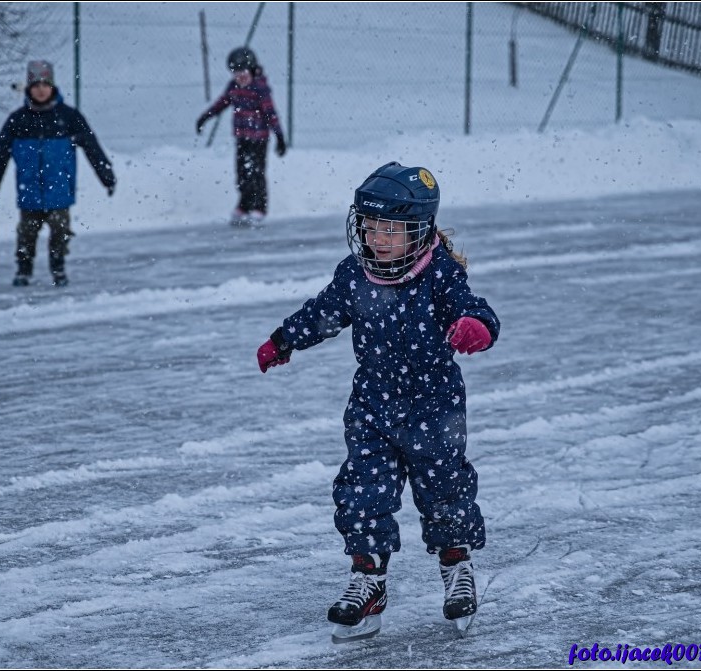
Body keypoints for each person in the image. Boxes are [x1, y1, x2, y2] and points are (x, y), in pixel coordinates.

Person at [256, 162, 500, 643]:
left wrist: (477, 327)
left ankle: (456, 566)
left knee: (445, 490)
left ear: (418, 230)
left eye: (389, 229)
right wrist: (284, 339)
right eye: (369, 227)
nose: (377, 238)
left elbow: (475, 308)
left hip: (432, 405)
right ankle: (368, 581)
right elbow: (322, 312)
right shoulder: (355, 275)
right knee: (362, 493)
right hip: (372, 405)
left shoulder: (439, 275)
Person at [0, 60, 116, 287]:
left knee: (60, 231)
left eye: (46, 84)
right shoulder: (18, 119)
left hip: (59, 189)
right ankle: (24, 268)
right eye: (36, 85)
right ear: (29, 88)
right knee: (26, 233)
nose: (41, 89)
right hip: (29, 189)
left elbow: (92, 147)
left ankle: (58, 266)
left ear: (53, 87)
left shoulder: (69, 117)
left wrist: (106, 176)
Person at [196, 47, 286, 227]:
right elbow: (222, 103)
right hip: (242, 138)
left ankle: (259, 208)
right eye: (235, 73)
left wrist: (279, 136)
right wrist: (205, 117)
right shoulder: (234, 87)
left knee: (257, 174)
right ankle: (244, 206)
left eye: (243, 72)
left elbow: (270, 113)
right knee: (242, 174)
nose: (239, 77)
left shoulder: (260, 88)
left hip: (259, 139)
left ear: (251, 69)